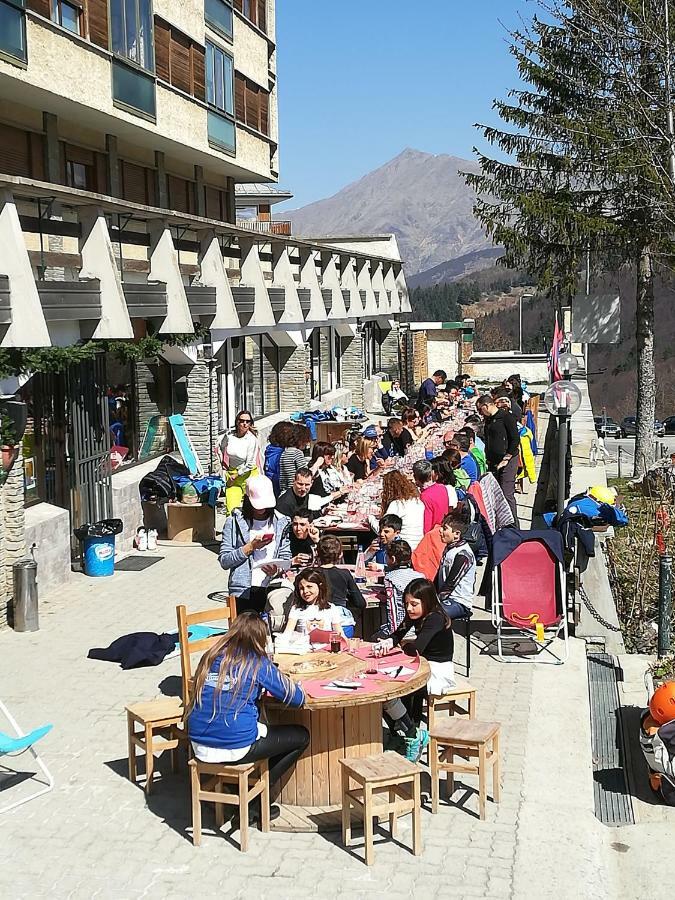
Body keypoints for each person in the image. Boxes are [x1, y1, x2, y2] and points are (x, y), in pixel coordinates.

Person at [188, 611, 309, 823]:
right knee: (300, 736)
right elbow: (296, 699)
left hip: (198, 743)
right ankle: (254, 804)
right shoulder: (256, 662)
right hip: (235, 745)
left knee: (258, 728)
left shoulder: (211, 655)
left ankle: (234, 787)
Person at [373, 579, 455, 761]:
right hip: (421, 661)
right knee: (385, 690)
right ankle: (402, 733)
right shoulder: (416, 614)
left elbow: (416, 647)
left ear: (427, 601)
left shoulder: (435, 618)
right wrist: (388, 642)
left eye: (414, 604)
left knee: (408, 687)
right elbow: (398, 634)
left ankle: (413, 732)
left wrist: (398, 649)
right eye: (406, 604)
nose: (409, 609)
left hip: (437, 668)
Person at [218, 475, 291, 612]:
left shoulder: (282, 521)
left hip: (271, 588)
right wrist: (250, 547)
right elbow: (224, 561)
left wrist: (277, 570)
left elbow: (285, 555)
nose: (261, 509)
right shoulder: (233, 521)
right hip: (243, 591)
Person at [477, 393, 520, 523]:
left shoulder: (506, 417)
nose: (480, 413)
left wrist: (506, 458)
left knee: (507, 493)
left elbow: (515, 439)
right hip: (493, 461)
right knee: (495, 492)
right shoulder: (488, 420)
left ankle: (513, 524)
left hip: (508, 460)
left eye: (480, 409)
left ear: (487, 405)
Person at [315, 535, 365, 635]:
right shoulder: (344, 574)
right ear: (340, 555)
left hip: (317, 619)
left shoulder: (312, 574)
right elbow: (360, 603)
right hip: (341, 620)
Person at [380, 540, 426, 637]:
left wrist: (394, 636)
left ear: (392, 559)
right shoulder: (420, 576)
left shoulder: (390, 579)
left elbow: (392, 609)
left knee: (372, 637)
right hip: (421, 629)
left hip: (403, 630)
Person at [220, 410, 260, 514]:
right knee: (231, 509)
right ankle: (233, 528)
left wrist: (237, 475)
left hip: (248, 476)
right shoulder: (230, 435)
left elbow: (250, 464)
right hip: (232, 474)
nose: (245, 424)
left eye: (248, 421)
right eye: (242, 421)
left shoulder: (252, 439)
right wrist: (223, 464)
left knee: (252, 510)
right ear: (237, 422)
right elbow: (221, 446)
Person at [284, 568, 345, 636]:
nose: (305, 591)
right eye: (301, 588)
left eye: (309, 586)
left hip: (325, 645)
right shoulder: (296, 609)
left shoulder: (331, 608)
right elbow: (288, 633)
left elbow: (340, 634)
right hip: (303, 645)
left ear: (320, 586)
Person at [437, 514, 476, 619]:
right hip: (445, 598)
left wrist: (434, 601)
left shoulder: (463, 554)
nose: (440, 531)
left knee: (433, 615)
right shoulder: (450, 548)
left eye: (445, 528)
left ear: (456, 534)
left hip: (459, 602)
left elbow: (450, 583)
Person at [376, 470, 425, 549]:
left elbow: (383, 529)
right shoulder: (417, 501)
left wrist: (370, 519)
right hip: (419, 544)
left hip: (402, 546)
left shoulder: (396, 505)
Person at [413, 459, 449, 531]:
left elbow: (427, 524)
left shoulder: (425, 496)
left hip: (433, 532)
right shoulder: (442, 487)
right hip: (442, 527)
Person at [279, 423, 313, 493]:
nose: (307, 443)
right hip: (296, 491)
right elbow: (305, 475)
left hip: (285, 491)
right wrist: (317, 464)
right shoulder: (297, 453)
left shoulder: (285, 452)